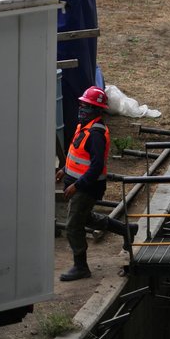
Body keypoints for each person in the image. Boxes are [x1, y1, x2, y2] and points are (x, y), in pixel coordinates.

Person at [59, 86, 113, 281]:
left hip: (87, 187)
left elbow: (96, 166)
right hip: (79, 184)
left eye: (87, 107)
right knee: (85, 218)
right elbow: (77, 153)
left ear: (98, 111)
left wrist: (77, 185)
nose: (81, 110)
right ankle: (126, 229)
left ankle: (81, 266)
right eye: (81, 105)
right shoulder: (84, 126)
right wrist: (64, 170)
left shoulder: (96, 134)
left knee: (73, 225)